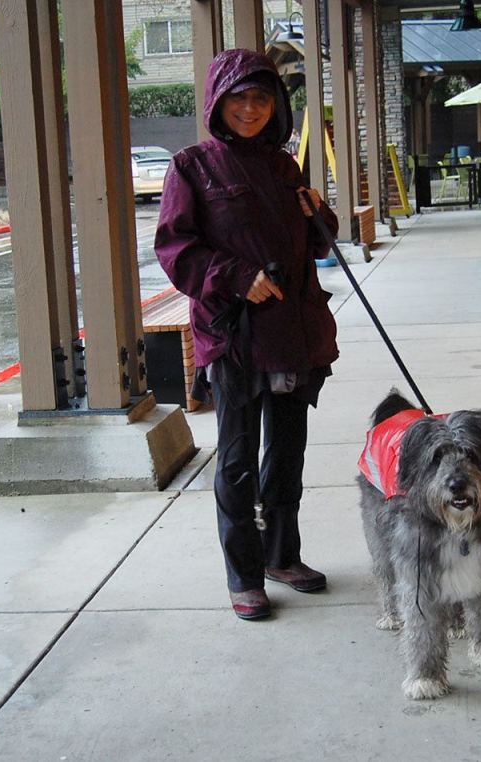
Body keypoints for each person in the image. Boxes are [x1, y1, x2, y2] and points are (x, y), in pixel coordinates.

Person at [154, 49, 340, 621]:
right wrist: (237, 278)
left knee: (286, 452)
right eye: (240, 98)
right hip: (233, 336)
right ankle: (244, 573)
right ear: (218, 101)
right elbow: (176, 250)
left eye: (262, 98)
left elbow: (315, 244)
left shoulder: (286, 167)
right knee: (235, 458)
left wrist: (319, 215)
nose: (252, 109)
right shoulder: (192, 166)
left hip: (291, 333)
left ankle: (283, 556)